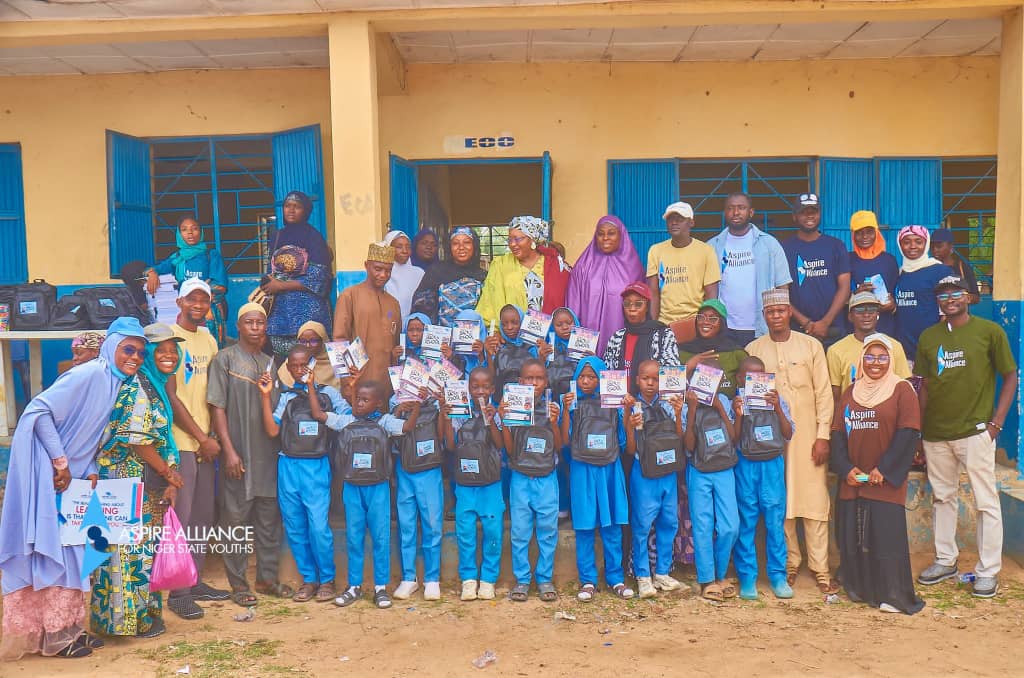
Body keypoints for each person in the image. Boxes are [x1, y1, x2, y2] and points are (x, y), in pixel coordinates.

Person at [0, 317, 146, 660]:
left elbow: (89, 434)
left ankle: (69, 630)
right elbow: (40, 410)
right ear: (111, 347)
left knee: (73, 552)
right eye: (128, 349)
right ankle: (55, 638)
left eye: (140, 352)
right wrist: (61, 463)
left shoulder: (115, 381)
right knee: (56, 552)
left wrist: (90, 468)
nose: (135, 357)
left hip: (77, 477)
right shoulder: (91, 374)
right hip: (51, 474)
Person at [915, 276, 1017, 598]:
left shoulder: (989, 332)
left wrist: (996, 424)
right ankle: (946, 560)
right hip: (937, 434)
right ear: (938, 302)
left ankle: (988, 571)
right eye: (943, 295)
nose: (950, 299)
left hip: (976, 432)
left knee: (985, 502)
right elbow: (924, 386)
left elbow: (1010, 375)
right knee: (943, 498)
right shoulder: (929, 337)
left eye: (956, 293)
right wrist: (920, 432)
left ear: (969, 297)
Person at [90, 323, 185, 639]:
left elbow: (158, 438)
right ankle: (130, 623)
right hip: (126, 482)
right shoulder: (140, 388)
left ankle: (133, 618)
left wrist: (166, 477)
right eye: (161, 350)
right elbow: (139, 441)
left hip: (138, 481)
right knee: (129, 556)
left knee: (136, 554)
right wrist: (168, 473)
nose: (169, 356)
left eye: (174, 350)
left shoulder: (153, 385)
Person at [746, 288, 837, 594]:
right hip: (770, 442)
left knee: (813, 501)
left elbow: (824, 393)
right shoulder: (754, 349)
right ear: (764, 316)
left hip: (809, 436)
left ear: (789, 313)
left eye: (781, 311)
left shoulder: (811, 346)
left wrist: (823, 436)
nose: (776, 316)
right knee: (781, 504)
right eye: (771, 312)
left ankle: (821, 568)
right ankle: (789, 564)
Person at [831, 335, 925, 614]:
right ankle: (860, 589)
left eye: (882, 357)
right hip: (854, 480)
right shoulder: (851, 391)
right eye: (869, 357)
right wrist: (846, 468)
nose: (875, 363)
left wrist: (883, 470)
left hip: (883, 481)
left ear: (891, 359)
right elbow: (837, 434)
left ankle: (893, 596)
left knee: (886, 539)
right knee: (855, 538)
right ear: (861, 359)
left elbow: (908, 434)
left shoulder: (902, 390)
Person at [208, 304, 288, 607]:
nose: (256, 327)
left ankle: (267, 579)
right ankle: (238, 585)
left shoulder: (270, 364)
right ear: (239, 326)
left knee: (268, 522)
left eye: (260, 322)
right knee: (236, 523)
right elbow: (217, 407)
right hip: (238, 455)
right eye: (249, 322)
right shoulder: (224, 360)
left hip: (267, 457)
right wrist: (228, 451)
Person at [259, 345, 349, 604]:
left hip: (316, 467)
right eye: (294, 366)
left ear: (313, 364)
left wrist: (312, 386)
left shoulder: (328, 393)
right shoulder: (287, 398)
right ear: (288, 368)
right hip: (288, 467)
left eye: (304, 365)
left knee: (319, 527)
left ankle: (328, 579)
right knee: (296, 527)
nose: (300, 370)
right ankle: (309, 579)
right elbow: (272, 431)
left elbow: (348, 419)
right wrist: (266, 397)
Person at [166, 278, 229, 619]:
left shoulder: (208, 338)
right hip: (182, 442)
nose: (199, 305)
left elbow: (215, 391)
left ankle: (194, 579)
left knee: (204, 515)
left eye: (204, 300)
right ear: (180, 302)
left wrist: (213, 437)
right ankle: (177, 594)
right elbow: (172, 396)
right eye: (193, 299)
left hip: (206, 442)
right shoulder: (170, 340)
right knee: (182, 517)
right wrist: (200, 437)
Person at [334, 381, 421, 610]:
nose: (359, 403)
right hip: (352, 486)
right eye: (357, 399)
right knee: (354, 537)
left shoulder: (385, 422)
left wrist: (417, 407)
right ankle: (354, 586)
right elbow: (320, 416)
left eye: (364, 399)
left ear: (378, 403)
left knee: (381, 537)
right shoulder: (347, 420)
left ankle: (380, 587)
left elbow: (407, 428)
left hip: (378, 486)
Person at [560, 357, 633, 602]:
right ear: (576, 379)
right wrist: (567, 411)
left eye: (593, 377)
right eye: (582, 377)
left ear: (602, 378)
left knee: (612, 527)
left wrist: (625, 411)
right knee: (584, 527)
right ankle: (588, 580)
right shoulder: (572, 403)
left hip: (610, 469)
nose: (587, 381)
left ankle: (616, 578)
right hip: (582, 470)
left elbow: (622, 442)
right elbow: (566, 442)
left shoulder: (612, 404)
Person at [500, 359, 563, 603]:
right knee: (520, 531)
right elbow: (508, 449)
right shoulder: (514, 405)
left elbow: (560, 446)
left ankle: (545, 578)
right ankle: (522, 580)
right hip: (520, 477)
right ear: (520, 382)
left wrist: (555, 422)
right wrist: (505, 420)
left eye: (539, 379)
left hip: (547, 477)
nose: (534, 383)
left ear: (546, 382)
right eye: (529, 378)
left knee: (548, 530)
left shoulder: (551, 407)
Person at [731, 356, 794, 600]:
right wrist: (738, 413)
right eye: (749, 377)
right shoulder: (735, 402)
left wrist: (777, 407)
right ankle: (748, 578)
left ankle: (778, 576)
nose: (755, 381)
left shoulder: (775, 400)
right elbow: (733, 440)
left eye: (760, 376)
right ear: (739, 379)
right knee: (746, 522)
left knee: (774, 523)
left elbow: (788, 433)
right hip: (745, 466)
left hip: (772, 467)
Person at [622, 360, 685, 599]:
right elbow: (629, 450)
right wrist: (630, 425)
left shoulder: (669, 405)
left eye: (656, 379)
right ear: (637, 380)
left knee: (669, 522)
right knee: (641, 526)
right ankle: (642, 576)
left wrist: (679, 415)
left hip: (668, 472)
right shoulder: (632, 406)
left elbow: (678, 440)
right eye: (646, 378)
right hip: (644, 473)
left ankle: (662, 573)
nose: (651, 383)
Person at [442, 367, 505, 601]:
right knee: (466, 532)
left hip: (490, 483)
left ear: (492, 389)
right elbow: (450, 446)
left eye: (484, 387)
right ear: (467, 389)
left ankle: (488, 578)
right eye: (474, 387)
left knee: (493, 531)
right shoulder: (460, 412)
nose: (480, 391)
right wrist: (446, 418)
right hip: (466, 483)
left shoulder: (495, 411)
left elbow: (500, 446)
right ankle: (468, 579)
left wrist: (491, 420)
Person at [682, 361, 739, 602]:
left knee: (730, 526)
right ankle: (707, 579)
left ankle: (720, 573)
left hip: (725, 468)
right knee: (703, 526)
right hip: (699, 470)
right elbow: (689, 446)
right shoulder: (687, 406)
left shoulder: (724, 401)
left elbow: (734, 438)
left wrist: (720, 408)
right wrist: (693, 409)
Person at [707, 192, 792, 344]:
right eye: (730, 208)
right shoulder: (712, 246)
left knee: (759, 367)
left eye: (741, 208)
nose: (736, 212)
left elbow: (782, 287)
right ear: (725, 213)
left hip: (762, 327)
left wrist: (780, 323)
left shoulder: (769, 244)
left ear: (751, 212)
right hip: (724, 327)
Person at [263, 191, 334, 358]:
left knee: (309, 356)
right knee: (282, 359)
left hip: (308, 310)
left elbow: (319, 277)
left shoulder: (314, 237)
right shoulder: (277, 236)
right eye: (288, 206)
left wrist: (281, 285)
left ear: (306, 211)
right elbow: (270, 270)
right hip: (280, 312)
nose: (291, 210)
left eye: (297, 207)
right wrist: (268, 283)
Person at [145, 216, 229, 345]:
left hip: (208, 311)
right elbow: (153, 269)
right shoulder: (178, 258)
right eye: (184, 229)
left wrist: (198, 291)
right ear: (179, 234)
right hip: (184, 311)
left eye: (194, 229)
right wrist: (152, 273)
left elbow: (220, 285)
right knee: (186, 347)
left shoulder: (211, 255)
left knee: (210, 346)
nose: (190, 233)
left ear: (201, 232)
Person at [566, 215, 645, 354]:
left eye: (611, 233)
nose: (605, 238)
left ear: (621, 236)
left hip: (620, 337)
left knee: (615, 370)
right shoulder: (583, 266)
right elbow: (573, 305)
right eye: (600, 234)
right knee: (588, 371)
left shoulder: (633, 267)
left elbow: (640, 307)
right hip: (586, 338)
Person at [781, 194, 851, 347]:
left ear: (820, 214)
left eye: (814, 211)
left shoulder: (836, 245)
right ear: (794, 216)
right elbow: (782, 292)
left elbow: (844, 287)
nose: (809, 215)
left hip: (834, 330)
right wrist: (805, 323)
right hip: (798, 331)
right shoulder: (784, 249)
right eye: (804, 212)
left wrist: (825, 322)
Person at [475, 216, 570, 327]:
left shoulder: (555, 265)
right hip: (511, 336)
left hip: (550, 337)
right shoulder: (500, 265)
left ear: (533, 239)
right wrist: (495, 330)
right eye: (510, 240)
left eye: (518, 239)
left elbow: (567, 300)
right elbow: (489, 302)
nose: (512, 244)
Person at [333, 242, 402, 395]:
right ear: (366, 265)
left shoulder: (393, 303)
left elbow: (395, 344)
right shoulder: (349, 296)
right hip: (358, 381)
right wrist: (346, 382)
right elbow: (339, 341)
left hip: (386, 383)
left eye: (388, 270)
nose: (383, 275)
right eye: (378, 269)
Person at [646, 202, 720, 339]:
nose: (674, 222)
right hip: (664, 325)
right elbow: (653, 293)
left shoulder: (706, 251)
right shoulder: (656, 251)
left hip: (695, 324)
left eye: (679, 219)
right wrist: (653, 325)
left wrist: (704, 325)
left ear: (691, 222)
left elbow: (711, 295)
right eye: (670, 219)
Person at [827, 291, 911, 401]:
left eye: (872, 310)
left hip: (887, 412)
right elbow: (835, 396)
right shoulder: (835, 350)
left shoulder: (894, 346)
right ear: (850, 316)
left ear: (877, 315)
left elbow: (905, 389)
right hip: (853, 415)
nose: (866, 315)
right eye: (860, 310)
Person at [603, 282, 681, 394]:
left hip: (652, 407)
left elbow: (671, 373)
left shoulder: (663, 335)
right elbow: (608, 372)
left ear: (647, 307)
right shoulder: (617, 337)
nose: (632, 309)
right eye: (627, 304)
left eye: (638, 304)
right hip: (620, 406)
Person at [894, 225, 954, 361]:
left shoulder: (940, 271)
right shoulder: (900, 273)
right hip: (905, 351)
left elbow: (948, 312)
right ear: (900, 245)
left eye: (918, 241)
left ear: (926, 244)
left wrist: (937, 343)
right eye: (906, 242)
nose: (912, 246)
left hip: (932, 348)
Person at [411, 227, 488, 327]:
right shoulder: (436, 272)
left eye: (467, 242)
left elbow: (489, 312)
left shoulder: (483, 276)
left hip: (474, 337)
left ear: (474, 246)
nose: (461, 247)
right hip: (441, 337)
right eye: (455, 243)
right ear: (449, 247)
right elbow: (421, 308)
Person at [679, 299, 748, 399]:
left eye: (712, 319)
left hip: (728, 410)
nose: (705, 322)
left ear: (722, 323)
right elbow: (669, 388)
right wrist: (689, 365)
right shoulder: (683, 350)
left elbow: (750, 385)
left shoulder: (735, 353)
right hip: (688, 411)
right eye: (701, 317)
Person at [848, 210, 899, 336]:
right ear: (853, 235)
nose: (865, 236)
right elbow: (840, 293)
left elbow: (897, 292)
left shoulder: (889, 260)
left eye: (869, 232)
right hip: (857, 329)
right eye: (859, 232)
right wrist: (856, 293)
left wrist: (893, 306)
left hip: (886, 325)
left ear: (876, 232)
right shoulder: (847, 260)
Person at [485, 305, 537, 395]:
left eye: (514, 322)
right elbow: (491, 378)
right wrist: (488, 355)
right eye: (504, 324)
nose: (509, 327)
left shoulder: (532, 346)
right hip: (501, 400)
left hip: (527, 399)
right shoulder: (498, 345)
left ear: (522, 322)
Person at [276, 321, 341, 392]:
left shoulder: (335, 362)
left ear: (323, 341)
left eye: (313, 341)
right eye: (303, 341)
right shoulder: (291, 363)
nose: (307, 346)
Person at [930, 228, 981, 304]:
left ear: (951, 247)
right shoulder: (928, 269)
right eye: (932, 247)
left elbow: (976, 297)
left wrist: (959, 297)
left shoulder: (962, 268)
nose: (935, 250)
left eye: (939, 246)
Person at [383, 230, 425, 319]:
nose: (405, 251)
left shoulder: (419, 273)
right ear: (388, 248)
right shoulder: (383, 274)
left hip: (413, 328)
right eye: (399, 247)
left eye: (408, 247)